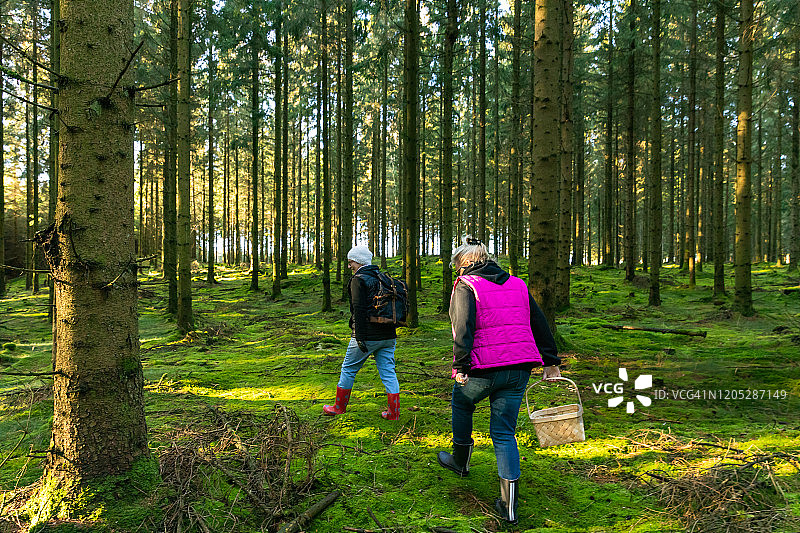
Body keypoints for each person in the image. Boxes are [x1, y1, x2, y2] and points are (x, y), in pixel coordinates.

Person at [436, 238, 561, 524]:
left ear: (466, 263)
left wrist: (460, 366)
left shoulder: (467, 285)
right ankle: (510, 507)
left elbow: (463, 327)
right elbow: (539, 321)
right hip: (519, 368)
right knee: (504, 433)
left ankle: (460, 461)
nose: (457, 271)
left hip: (483, 368)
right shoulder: (518, 283)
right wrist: (551, 359)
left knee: (461, 403)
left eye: (457, 266)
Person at [322, 245, 401, 420]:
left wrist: (359, 336)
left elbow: (358, 309)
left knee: (348, 368)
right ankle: (394, 412)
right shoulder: (383, 277)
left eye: (351, 262)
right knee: (388, 371)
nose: (349, 266)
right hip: (389, 335)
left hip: (368, 335)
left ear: (359, 261)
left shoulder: (359, 279)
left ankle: (338, 407)